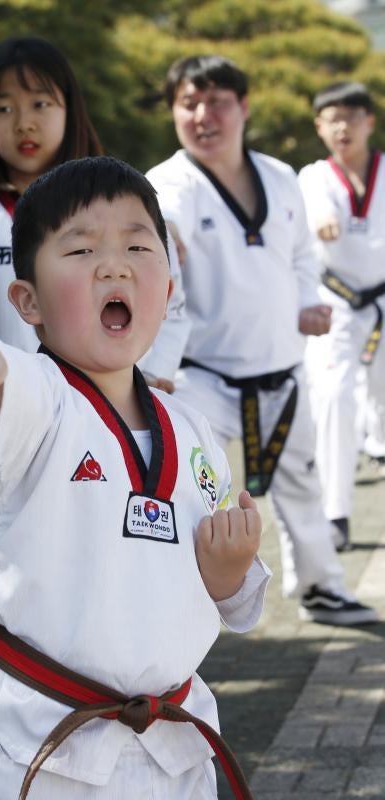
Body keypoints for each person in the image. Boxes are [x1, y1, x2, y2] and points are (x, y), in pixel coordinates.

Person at [0, 155, 270, 800]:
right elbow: (1, 384)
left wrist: (227, 568)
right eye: (80, 249)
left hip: (172, 751)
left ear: (166, 290)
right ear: (27, 301)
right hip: (40, 748)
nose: (114, 264)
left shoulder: (191, 432)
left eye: (139, 245)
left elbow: (228, 596)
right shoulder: (42, 401)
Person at [0, 38, 189, 794]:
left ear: (72, 111)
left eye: (40, 102)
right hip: (7, 463)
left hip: (103, 456)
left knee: (108, 623)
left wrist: (153, 379)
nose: (22, 121)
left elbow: (170, 300)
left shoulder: (107, 204)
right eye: (1, 109)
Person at [146, 55, 378, 626]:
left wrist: (306, 302)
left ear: (244, 108)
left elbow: (301, 256)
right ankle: (175, 611)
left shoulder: (279, 176)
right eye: (189, 103)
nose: (203, 115)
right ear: (174, 112)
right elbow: (162, 242)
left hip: (282, 370)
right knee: (187, 492)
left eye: (217, 101)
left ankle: (322, 587)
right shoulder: (165, 185)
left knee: (303, 483)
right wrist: (160, 234)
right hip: (203, 377)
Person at [298, 81, 385, 550]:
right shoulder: (313, 177)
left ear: (369, 121)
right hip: (335, 306)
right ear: (320, 127)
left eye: (351, 117)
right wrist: (320, 219)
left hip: (384, 304)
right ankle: (336, 513)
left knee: (378, 402)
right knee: (333, 399)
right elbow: (315, 211)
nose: (342, 127)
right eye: (332, 119)